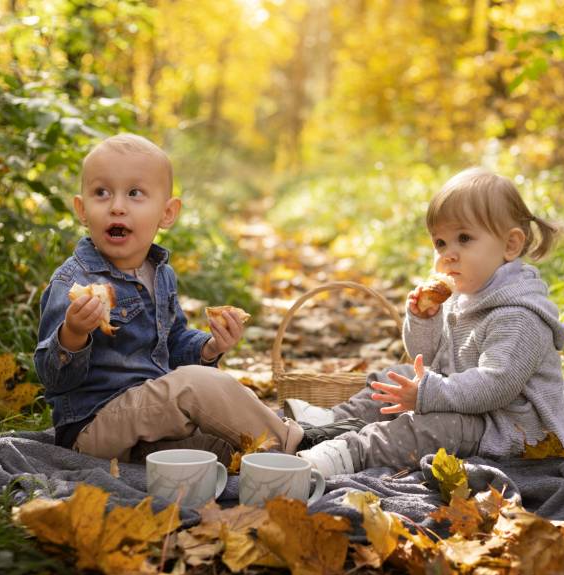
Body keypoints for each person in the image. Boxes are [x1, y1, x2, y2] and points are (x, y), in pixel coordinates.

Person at [35, 133, 359, 462]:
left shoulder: (159, 273)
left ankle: (313, 456)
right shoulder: (74, 281)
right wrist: (73, 334)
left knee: (224, 445)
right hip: (94, 427)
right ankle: (297, 440)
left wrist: (209, 348)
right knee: (196, 385)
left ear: (167, 213)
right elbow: (52, 379)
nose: (117, 206)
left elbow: (172, 343)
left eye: (134, 193)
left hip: (150, 424)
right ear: (82, 209)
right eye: (101, 193)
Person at [291, 167, 564, 477]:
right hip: (468, 407)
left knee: (433, 427)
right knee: (398, 377)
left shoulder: (519, 315)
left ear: (510, 245)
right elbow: (428, 357)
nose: (448, 255)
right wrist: (425, 321)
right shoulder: (467, 292)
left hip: (510, 433)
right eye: (440, 243)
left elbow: (495, 386)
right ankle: (331, 419)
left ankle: (350, 452)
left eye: (464, 239)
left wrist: (426, 395)